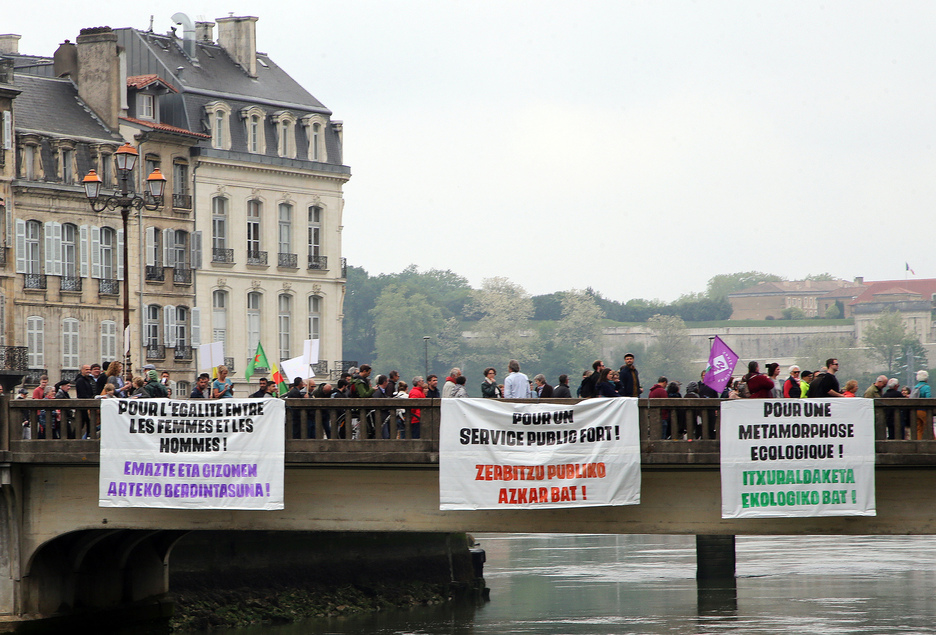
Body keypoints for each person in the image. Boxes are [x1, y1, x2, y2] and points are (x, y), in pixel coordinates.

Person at [911, 370, 932, 439]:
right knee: (929, 427)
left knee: (919, 429)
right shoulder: (926, 387)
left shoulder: (916, 387)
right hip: (924, 411)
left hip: (916, 410)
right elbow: (928, 398)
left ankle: (918, 443)